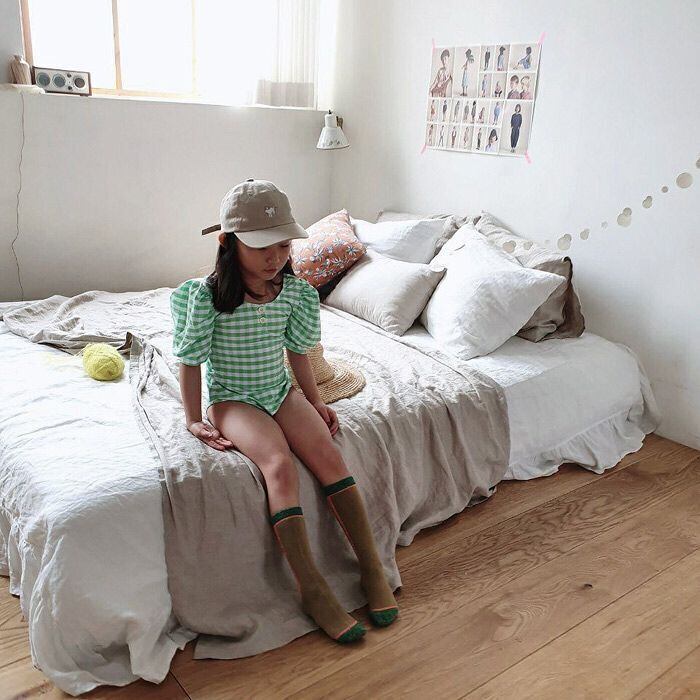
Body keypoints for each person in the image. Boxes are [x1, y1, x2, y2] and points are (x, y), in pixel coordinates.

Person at [171, 179, 399, 645]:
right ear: (228, 243)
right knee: (278, 465)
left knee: (329, 454)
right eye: (261, 247)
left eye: (282, 245)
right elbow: (190, 360)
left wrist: (314, 401)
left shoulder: (294, 292)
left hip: (279, 391)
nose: (274, 257)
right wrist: (193, 418)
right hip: (233, 400)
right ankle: (311, 588)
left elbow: (298, 353)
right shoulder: (206, 297)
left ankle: (371, 567)